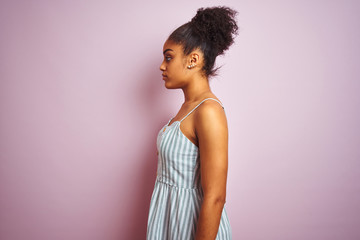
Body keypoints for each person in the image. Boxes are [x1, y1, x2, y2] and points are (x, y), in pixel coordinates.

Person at [146, 6, 238, 240]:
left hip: (193, 229)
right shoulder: (187, 108)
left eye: (169, 57)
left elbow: (216, 197)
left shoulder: (208, 111)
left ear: (193, 60)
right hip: (171, 222)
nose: (162, 66)